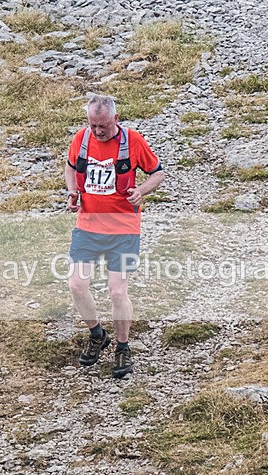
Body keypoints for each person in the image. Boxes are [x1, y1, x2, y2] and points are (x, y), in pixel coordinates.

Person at [64, 94, 165, 378]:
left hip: (124, 229)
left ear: (116, 120)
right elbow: (71, 167)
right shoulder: (82, 139)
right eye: (93, 125)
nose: (97, 132)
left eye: (103, 127)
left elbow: (157, 173)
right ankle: (97, 334)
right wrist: (72, 191)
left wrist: (141, 191)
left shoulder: (133, 142)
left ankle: (123, 345)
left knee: (117, 291)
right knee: (76, 285)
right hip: (88, 227)